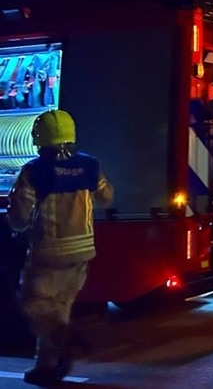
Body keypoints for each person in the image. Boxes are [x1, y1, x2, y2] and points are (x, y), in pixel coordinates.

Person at [7, 110, 114, 386]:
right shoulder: (89, 165)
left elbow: (19, 218)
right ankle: (47, 368)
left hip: (49, 252)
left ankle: (65, 335)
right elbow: (106, 196)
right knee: (59, 307)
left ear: (39, 138)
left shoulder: (33, 171)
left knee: (32, 304)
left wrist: (15, 220)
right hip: (83, 252)